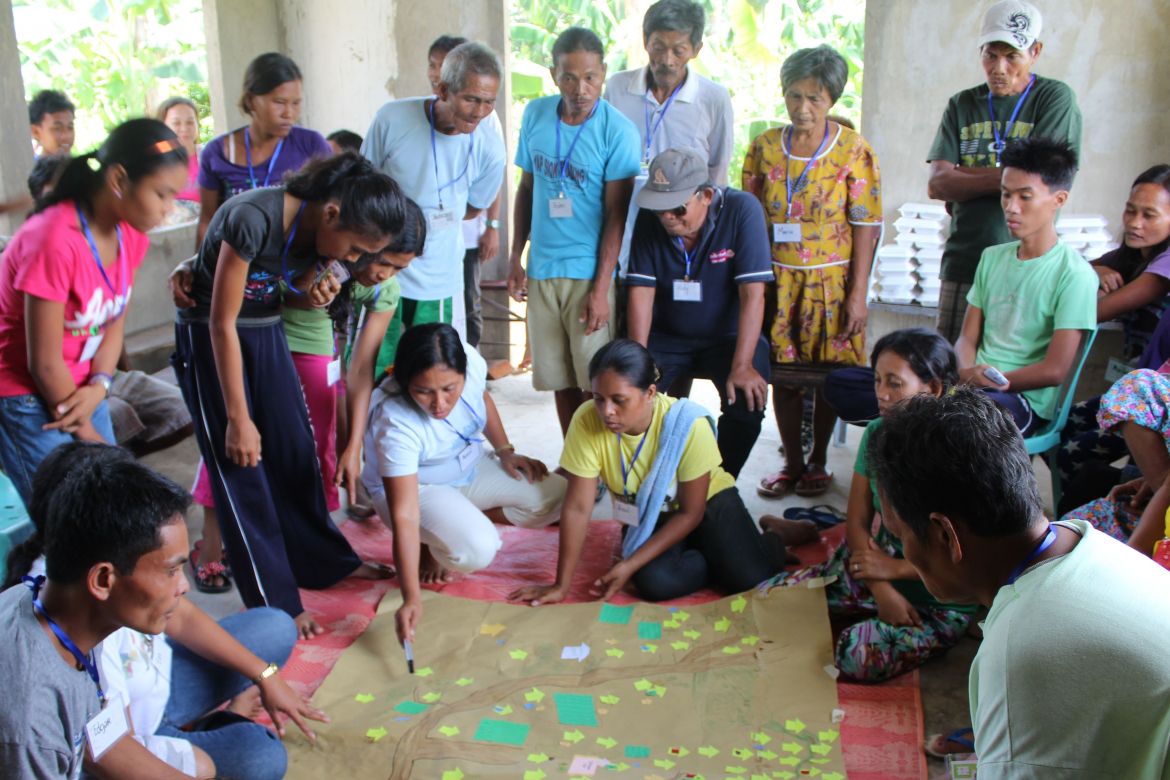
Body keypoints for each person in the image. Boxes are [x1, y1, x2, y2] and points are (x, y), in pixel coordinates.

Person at [868, 387, 1170, 774]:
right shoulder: (1084, 541)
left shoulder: (1021, 655)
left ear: (945, 535)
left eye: (899, 535)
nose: (902, 550)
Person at [170, 152, 404, 637]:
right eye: (357, 249)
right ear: (332, 213)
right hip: (214, 340)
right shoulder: (254, 217)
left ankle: (324, 562)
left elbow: (278, 293)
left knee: (297, 452)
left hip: (266, 331)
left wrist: (308, 293)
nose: (355, 261)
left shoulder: (322, 235)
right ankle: (276, 602)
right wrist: (238, 416)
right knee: (243, 472)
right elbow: (220, 321)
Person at [0, 442, 324, 780]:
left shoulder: (60, 607)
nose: (184, 586)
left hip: (139, 706)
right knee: (256, 758)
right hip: (93, 736)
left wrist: (264, 674)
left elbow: (102, 736)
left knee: (273, 628)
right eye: (171, 570)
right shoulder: (30, 723)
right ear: (103, 579)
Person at [510, 339, 811, 607]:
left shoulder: (686, 423)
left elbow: (691, 513)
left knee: (749, 579)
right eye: (599, 398)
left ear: (650, 393)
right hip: (647, 512)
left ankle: (774, 534)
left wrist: (629, 566)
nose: (606, 411)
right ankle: (721, 553)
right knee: (656, 584)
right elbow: (577, 507)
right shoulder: (586, 420)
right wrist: (560, 586)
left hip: (707, 505)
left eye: (619, 400)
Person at [771, 329, 977, 683]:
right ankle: (861, 600)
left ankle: (884, 617)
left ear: (935, 388)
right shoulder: (877, 433)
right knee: (773, 599)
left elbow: (966, 558)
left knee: (855, 654)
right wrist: (881, 587)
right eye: (878, 380)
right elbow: (857, 523)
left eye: (895, 383)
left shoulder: (960, 454)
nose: (881, 394)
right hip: (874, 569)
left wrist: (893, 571)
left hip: (938, 598)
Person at [0, 119, 188, 503]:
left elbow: (113, 320)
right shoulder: (53, 240)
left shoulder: (128, 232)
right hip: (26, 390)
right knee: (66, 513)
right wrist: (87, 430)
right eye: (162, 195)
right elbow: (44, 363)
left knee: (99, 503)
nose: (168, 210)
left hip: (84, 385)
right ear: (119, 179)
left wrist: (100, 384)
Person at [362, 323, 566, 646]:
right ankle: (432, 542)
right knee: (476, 548)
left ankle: (454, 519)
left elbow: (482, 398)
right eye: (423, 391)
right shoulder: (395, 419)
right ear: (404, 384)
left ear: (462, 372)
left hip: (466, 466)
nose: (439, 403)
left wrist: (505, 452)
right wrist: (410, 596)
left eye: (449, 388)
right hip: (417, 489)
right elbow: (404, 515)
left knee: (556, 496)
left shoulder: (469, 360)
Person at [742, 44, 882, 498]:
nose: (803, 108)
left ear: (833, 101)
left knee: (829, 380)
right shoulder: (763, 148)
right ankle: (793, 462)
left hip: (833, 284)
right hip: (778, 283)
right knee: (782, 377)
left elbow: (866, 225)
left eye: (815, 99)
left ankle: (820, 459)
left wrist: (858, 293)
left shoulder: (853, 151)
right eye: (794, 96)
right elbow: (748, 219)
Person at [508, 27, 640, 435]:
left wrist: (601, 289)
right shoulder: (535, 115)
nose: (580, 88)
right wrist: (516, 255)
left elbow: (616, 215)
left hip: (587, 273)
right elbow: (527, 188)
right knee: (557, 379)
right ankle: (573, 456)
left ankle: (597, 465)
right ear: (553, 74)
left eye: (590, 77)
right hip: (543, 268)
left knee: (595, 382)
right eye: (569, 77)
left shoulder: (618, 131)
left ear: (603, 72)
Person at [927, 0, 1082, 342]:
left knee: (1005, 369)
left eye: (1012, 55)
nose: (999, 67)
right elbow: (938, 184)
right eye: (990, 54)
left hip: (1026, 262)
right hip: (965, 259)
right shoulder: (962, 104)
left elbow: (1043, 179)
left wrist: (966, 179)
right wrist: (1010, 177)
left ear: (1035, 52)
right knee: (949, 373)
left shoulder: (1054, 98)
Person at [626, 148, 771, 477]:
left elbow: (753, 295)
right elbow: (641, 292)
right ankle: (652, 483)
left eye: (677, 209)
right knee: (629, 395)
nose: (667, 218)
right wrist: (638, 361)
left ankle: (715, 484)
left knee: (747, 401)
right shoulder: (653, 220)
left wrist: (743, 364)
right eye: (660, 209)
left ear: (705, 195)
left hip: (728, 338)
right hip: (666, 336)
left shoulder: (741, 209)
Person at [362, 41, 506, 369]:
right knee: (375, 364)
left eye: (489, 102)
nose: (480, 111)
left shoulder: (491, 147)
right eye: (471, 99)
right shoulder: (393, 119)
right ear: (443, 89)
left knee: (434, 369)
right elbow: (363, 184)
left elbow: (473, 208)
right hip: (383, 268)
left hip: (440, 274)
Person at [952, 137, 1097, 434]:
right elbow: (967, 338)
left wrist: (991, 380)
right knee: (881, 395)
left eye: (1025, 197)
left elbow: (1055, 370)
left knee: (960, 427)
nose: (1011, 207)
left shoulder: (1075, 274)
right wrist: (966, 373)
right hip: (973, 386)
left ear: (1059, 200)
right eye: (1006, 195)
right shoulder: (991, 258)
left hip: (1021, 398)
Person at [1055, 165, 1170, 489]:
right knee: (1062, 426)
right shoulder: (1131, 256)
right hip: (1126, 389)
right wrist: (1096, 270)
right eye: (1130, 211)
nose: (1135, 223)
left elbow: (1095, 312)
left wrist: (1090, 282)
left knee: (1071, 455)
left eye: (1149, 215)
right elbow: (1069, 269)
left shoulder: (1164, 268)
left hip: (1154, 404)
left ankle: (1077, 525)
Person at [604, 0, 734, 279]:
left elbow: (717, 172)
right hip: (624, 224)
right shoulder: (617, 88)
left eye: (679, 50)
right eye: (658, 46)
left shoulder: (713, 98)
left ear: (696, 50)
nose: (666, 59)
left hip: (682, 227)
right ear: (645, 42)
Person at [195, 52, 331, 248]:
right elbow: (207, 221)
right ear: (251, 101)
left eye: (296, 103)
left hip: (292, 265)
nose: (289, 113)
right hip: (234, 261)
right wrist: (197, 267)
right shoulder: (217, 153)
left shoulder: (312, 146)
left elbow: (334, 209)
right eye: (279, 102)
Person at [426, 35, 506, 350]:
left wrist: (492, 226)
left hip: (467, 234)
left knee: (466, 302)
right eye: (432, 65)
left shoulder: (483, 118)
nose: (436, 72)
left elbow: (493, 175)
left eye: (442, 65)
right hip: (428, 239)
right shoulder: (424, 112)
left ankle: (469, 367)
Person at [157, 96, 202, 216]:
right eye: (176, 123)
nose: (184, 128)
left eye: (190, 122)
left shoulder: (210, 157)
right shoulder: (154, 162)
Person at [28, 89, 75, 157]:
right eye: (57, 129)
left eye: (70, 128)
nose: (66, 136)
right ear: (36, 132)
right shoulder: (28, 166)